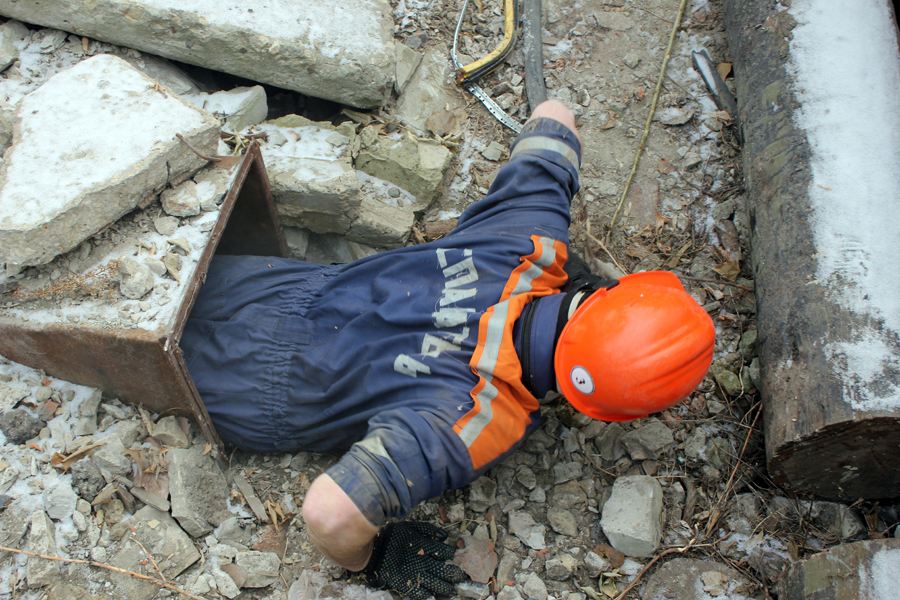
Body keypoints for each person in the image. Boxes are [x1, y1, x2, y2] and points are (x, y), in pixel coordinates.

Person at [181, 100, 715, 599]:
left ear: (606, 294)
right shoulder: (483, 415)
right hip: (243, 388)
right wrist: (368, 562)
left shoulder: (525, 239)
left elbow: (553, 118)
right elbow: (328, 513)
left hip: (261, 285)